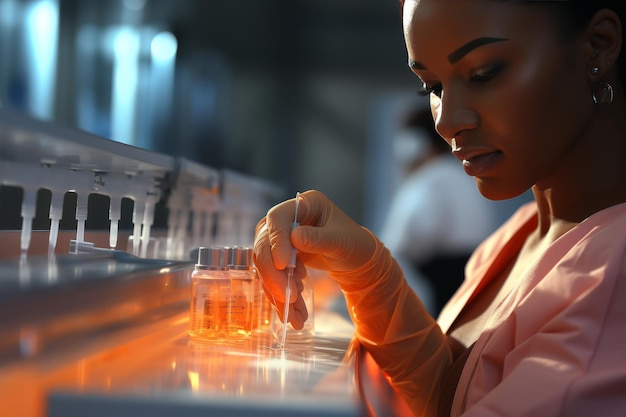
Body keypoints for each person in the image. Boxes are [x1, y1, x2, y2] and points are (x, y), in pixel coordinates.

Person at [253, 1, 626, 416]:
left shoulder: (614, 275)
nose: (446, 122)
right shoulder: (519, 234)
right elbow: (450, 396)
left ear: (598, 46)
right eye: (432, 87)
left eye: (484, 73)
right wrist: (369, 275)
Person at [379, 104, 496, 315]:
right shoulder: (464, 176)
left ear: (413, 144)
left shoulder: (429, 179)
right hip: (469, 273)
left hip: (437, 281)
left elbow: (408, 239)